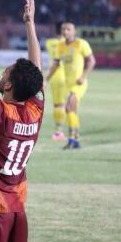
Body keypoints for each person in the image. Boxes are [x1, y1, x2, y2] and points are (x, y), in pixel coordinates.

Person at [45, 21, 95, 149]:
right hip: (68, 84)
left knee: (68, 108)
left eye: (68, 29)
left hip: (78, 84)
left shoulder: (81, 44)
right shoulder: (60, 46)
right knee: (72, 111)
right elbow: (55, 64)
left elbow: (91, 61)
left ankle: (72, 138)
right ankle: (75, 140)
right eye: (63, 29)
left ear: (74, 31)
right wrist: (46, 79)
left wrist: (84, 77)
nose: (65, 31)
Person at [45, 22, 66, 141]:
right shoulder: (66, 44)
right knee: (62, 105)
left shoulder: (49, 43)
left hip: (53, 77)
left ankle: (58, 131)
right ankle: (59, 131)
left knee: (56, 105)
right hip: (64, 75)